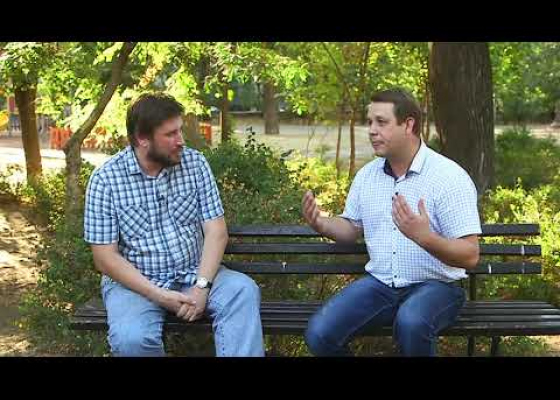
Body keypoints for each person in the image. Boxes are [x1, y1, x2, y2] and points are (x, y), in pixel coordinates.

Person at [301, 88, 481, 356]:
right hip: (381, 285)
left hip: (437, 287)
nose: (372, 131)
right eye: (369, 122)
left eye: (381, 122)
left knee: (412, 323)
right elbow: (351, 228)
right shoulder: (367, 176)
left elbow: (470, 255)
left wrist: (425, 238)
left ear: (408, 125)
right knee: (319, 333)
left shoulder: (448, 177)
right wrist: (322, 224)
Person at [84, 93, 264, 357]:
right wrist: (159, 295)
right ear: (142, 139)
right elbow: (104, 257)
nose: (181, 140)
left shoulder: (195, 164)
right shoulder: (105, 180)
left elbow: (216, 231)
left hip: (195, 273)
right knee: (132, 339)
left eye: (180, 130)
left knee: (242, 291)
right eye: (170, 134)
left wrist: (202, 286)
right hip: (137, 285)